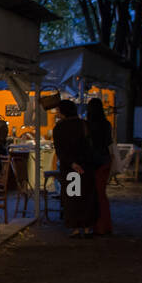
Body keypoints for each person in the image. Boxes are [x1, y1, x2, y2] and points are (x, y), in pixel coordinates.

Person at [51, 99, 97, 237]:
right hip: (86, 167)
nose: (56, 112)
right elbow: (90, 146)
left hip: (71, 168)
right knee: (87, 197)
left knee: (73, 198)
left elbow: (60, 150)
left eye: (58, 110)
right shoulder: (84, 124)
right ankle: (88, 227)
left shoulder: (59, 128)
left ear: (63, 111)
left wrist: (72, 163)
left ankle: (76, 227)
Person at [86, 97, 114, 235]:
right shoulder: (106, 124)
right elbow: (109, 142)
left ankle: (98, 225)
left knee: (95, 194)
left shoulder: (88, 125)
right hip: (105, 160)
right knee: (102, 194)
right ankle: (105, 225)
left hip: (94, 162)